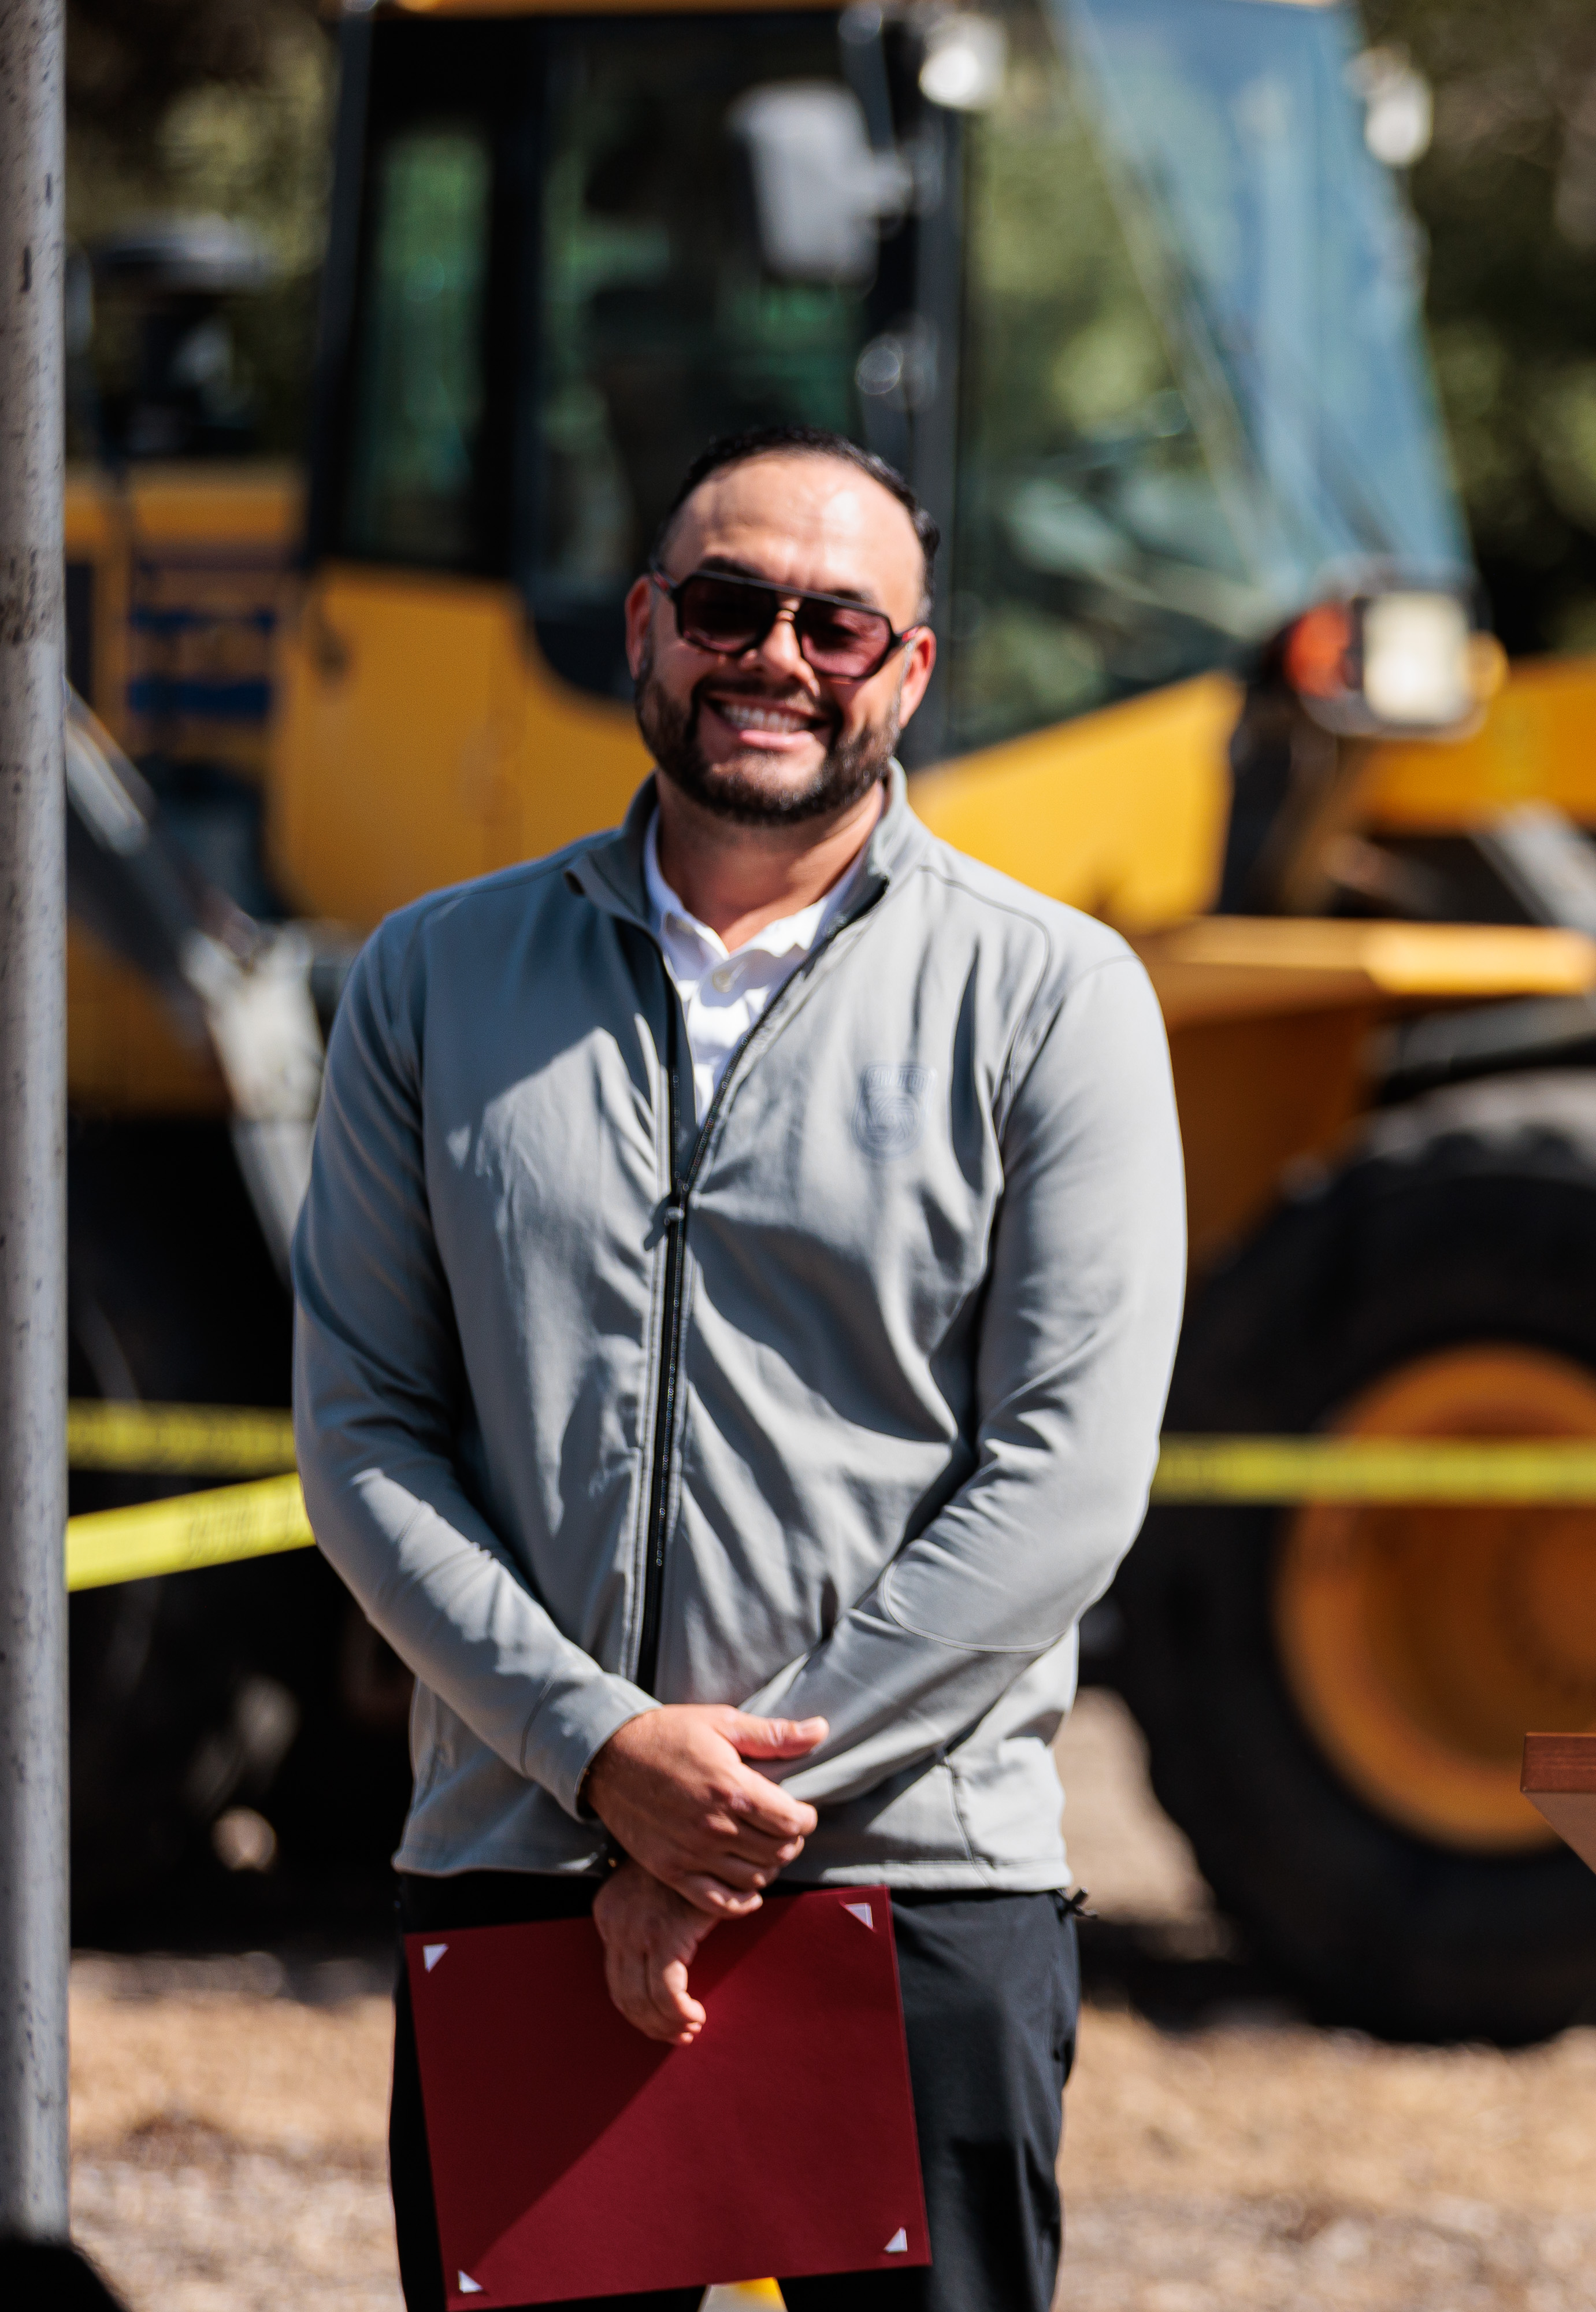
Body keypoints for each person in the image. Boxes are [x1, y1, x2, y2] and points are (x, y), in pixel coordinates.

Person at [295, 424, 1185, 2312]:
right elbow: (366, 1434)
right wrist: (601, 1755)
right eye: (725, 605)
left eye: (837, 625)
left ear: (911, 670)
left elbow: (1065, 1477)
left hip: (911, 1887)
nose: (773, 656)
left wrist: (723, 1824)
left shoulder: (1058, 998)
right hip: (522, 1872)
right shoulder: (430, 983)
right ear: (646, 628)